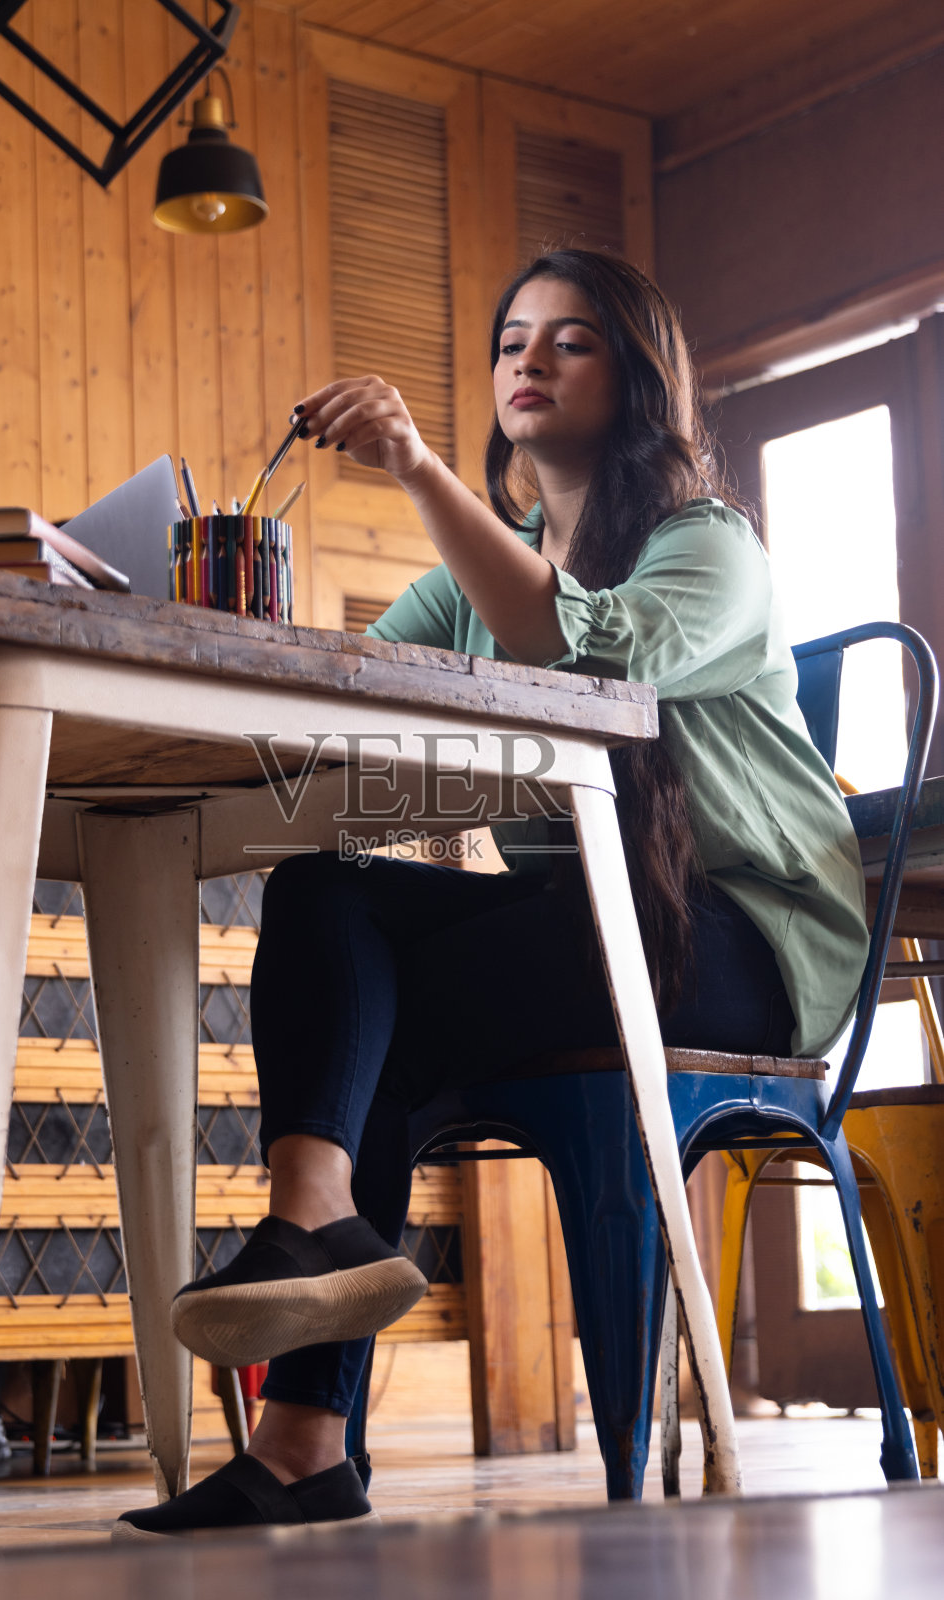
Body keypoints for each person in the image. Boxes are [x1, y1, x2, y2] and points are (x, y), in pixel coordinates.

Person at [116, 249, 869, 1539]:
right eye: (515, 338)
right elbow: (357, 688)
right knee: (331, 884)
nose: (528, 358)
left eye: (568, 341)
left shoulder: (711, 546)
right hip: (582, 918)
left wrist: (412, 462)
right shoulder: (487, 564)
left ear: (636, 379)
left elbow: (573, 642)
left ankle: (309, 1334)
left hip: (745, 936)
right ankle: (308, 1325)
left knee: (381, 983)